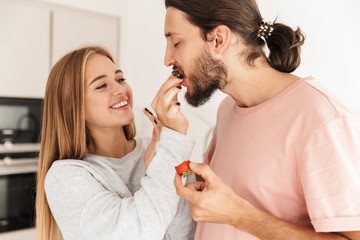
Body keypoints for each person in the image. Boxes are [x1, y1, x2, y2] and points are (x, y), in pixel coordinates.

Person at [154, 0, 360, 239]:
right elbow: (204, 195)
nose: (168, 59)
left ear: (219, 40)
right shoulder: (228, 109)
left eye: (176, 42)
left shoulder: (322, 119)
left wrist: (240, 216)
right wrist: (176, 145)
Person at [35, 46, 196, 240]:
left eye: (120, 79)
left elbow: (189, 226)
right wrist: (171, 146)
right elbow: (138, 233)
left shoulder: (162, 148)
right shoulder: (65, 176)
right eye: (101, 86)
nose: (120, 89)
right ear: (74, 106)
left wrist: (170, 158)